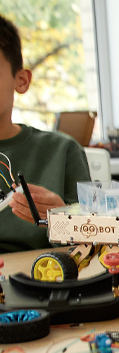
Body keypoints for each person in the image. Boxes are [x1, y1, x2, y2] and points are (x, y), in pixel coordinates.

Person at [0, 13, 90, 253]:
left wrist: (62, 220)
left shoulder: (62, 151)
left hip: (44, 278)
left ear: (21, 80)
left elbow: (92, 245)